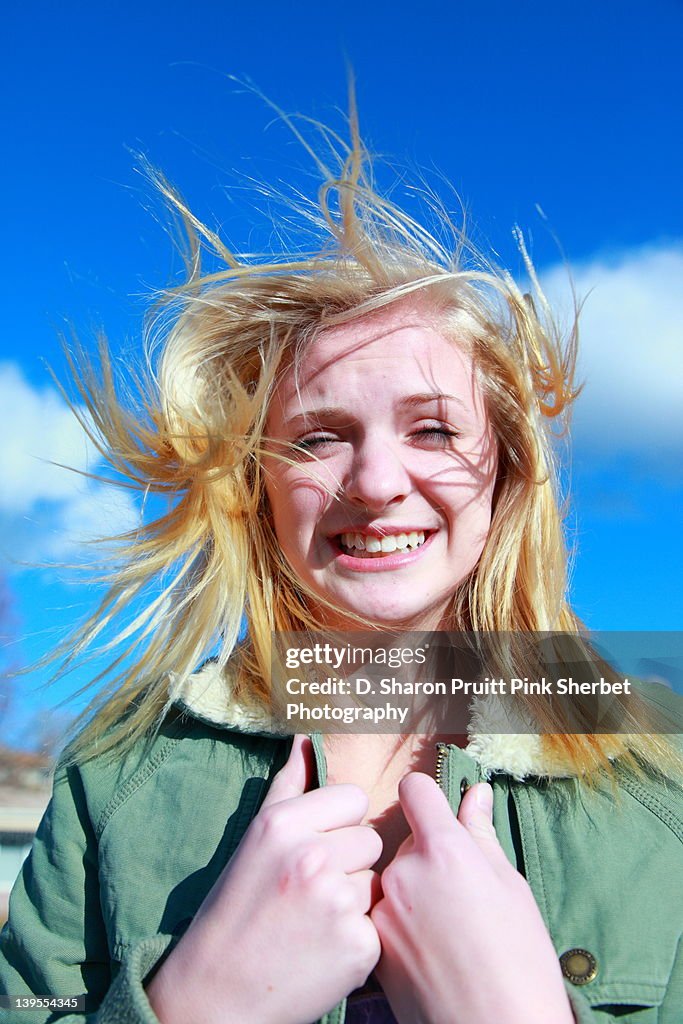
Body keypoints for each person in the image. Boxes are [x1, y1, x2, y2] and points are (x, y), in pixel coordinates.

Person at [1, 100, 682, 1024]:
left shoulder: (657, 759)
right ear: (259, 485)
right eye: (318, 438)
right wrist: (194, 1008)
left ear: (507, 474)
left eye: (432, 428)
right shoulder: (121, 765)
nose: (375, 480)